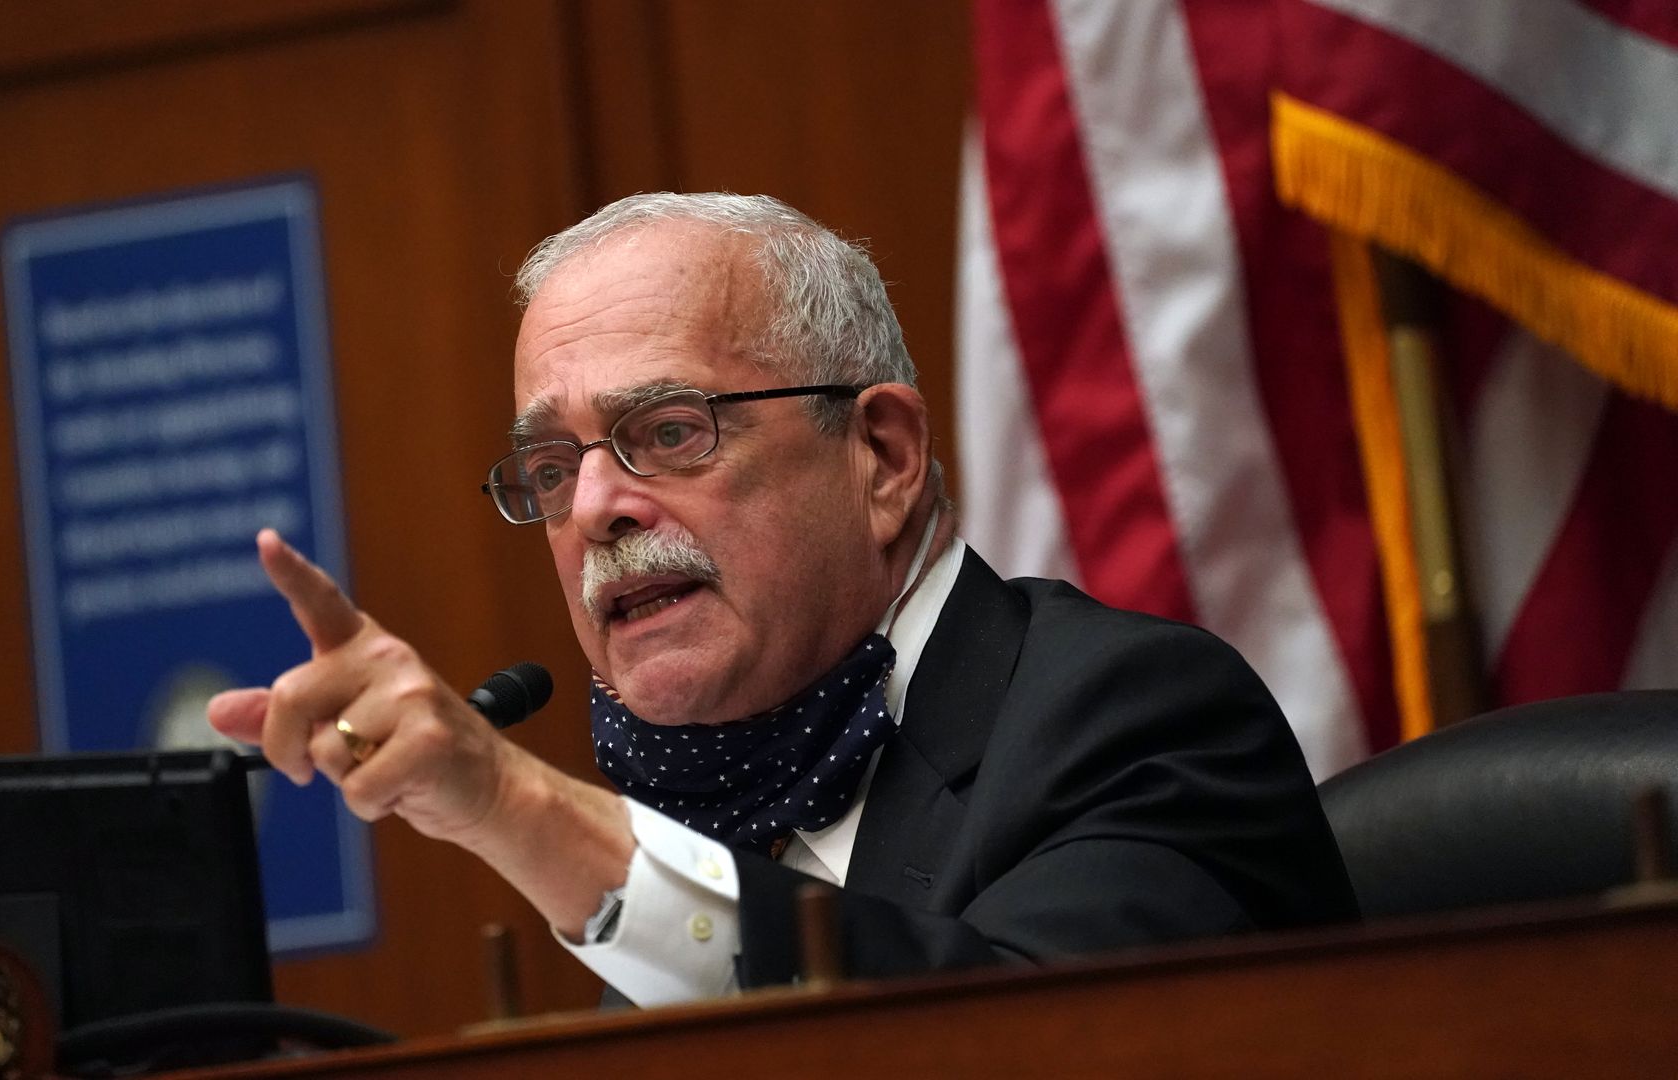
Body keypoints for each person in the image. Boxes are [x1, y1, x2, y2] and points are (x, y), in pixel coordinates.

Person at [208, 193, 1357, 1007]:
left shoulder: (1135, 719)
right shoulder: (687, 820)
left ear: (883, 456)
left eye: (667, 432)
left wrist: (514, 802)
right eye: (553, 470)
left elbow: (1015, 1045)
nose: (595, 507)